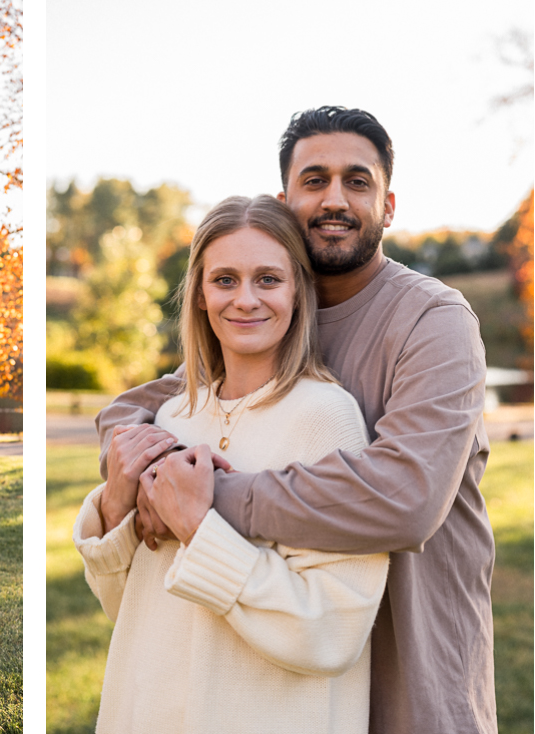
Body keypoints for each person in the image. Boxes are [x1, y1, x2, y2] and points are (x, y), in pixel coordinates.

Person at [96, 107, 496, 734]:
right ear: (286, 201)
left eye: (357, 181)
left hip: (412, 671)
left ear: (388, 205)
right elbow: (143, 405)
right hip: (282, 686)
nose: (334, 199)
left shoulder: (433, 321)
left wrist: (205, 499)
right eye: (314, 180)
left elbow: (407, 498)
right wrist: (143, 470)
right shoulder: (268, 320)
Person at [75, 194, 389, 734]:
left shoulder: (325, 417)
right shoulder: (170, 416)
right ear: (199, 293)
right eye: (225, 280)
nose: (245, 299)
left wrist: (199, 529)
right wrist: (113, 502)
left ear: (298, 291)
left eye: (267, 279)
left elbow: (334, 630)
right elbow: (126, 608)